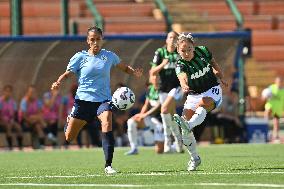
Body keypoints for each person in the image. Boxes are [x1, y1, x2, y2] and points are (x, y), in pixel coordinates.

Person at [51, 26, 143, 174]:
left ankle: (108, 165)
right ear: (88, 41)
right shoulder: (79, 57)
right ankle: (70, 119)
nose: (95, 42)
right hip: (83, 101)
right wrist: (58, 81)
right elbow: (68, 73)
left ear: (102, 39)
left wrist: (134, 72)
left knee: (107, 121)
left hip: (103, 101)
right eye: (92, 39)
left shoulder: (109, 56)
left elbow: (124, 67)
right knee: (69, 137)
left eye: (98, 39)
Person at [172, 33, 228, 171]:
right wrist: (184, 85)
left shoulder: (203, 51)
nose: (186, 53)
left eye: (189, 49)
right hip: (193, 95)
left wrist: (220, 76)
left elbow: (213, 62)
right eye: (183, 51)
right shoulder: (180, 64)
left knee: (202, 104)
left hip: (211, 90)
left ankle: (189, 124)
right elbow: (182, 77)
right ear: (178, 51)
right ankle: (195, 158)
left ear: (194, 47)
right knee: (185, 130)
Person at [149, 31, 183, 153]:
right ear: (166, 40)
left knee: (164, 110)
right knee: (171, 114)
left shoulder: (180, 53)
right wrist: (163, 64)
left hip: (177, 88)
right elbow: (152, 72)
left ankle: (167, 141)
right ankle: (178, 140)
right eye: (170, 37)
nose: (173, 40)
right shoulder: (160, 52)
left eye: (175, 38)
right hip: (163, 88)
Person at [125, 75, 164, 155]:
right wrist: (141, 115)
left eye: (157, 77)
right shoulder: (150, 90)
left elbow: (159, 106)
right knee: (131, 121)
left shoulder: (163, 89)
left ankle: (172, 146)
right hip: (151, 119)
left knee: (159, 151)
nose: (154, 78)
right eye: (153, 77)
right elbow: (146, 104)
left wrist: (145, 115)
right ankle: (134, 148)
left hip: (161, 121)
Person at [0, 85, 23, 150]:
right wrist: (3, 120)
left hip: (10, 121)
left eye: (9, 91)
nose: (8, 93)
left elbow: (14, 114)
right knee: (8, 127)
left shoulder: (13, 102)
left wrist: (12, 119)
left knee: (19, 128)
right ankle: (10, 147)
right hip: (2, 121)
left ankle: (20, 147)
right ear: (3, 92)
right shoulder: (0, 101)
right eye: (6, 91)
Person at [262, 76, 284, 143]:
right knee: (266, 117)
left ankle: (275, 136)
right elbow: (264, 96)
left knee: (276, 123)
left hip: (278, 108)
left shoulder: (283, 90)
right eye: (277, 81)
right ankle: (265, 132)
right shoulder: (271, 88)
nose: (279, 83)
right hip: (270, 106)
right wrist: (265, 97)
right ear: (275, 82)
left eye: (280, 81)